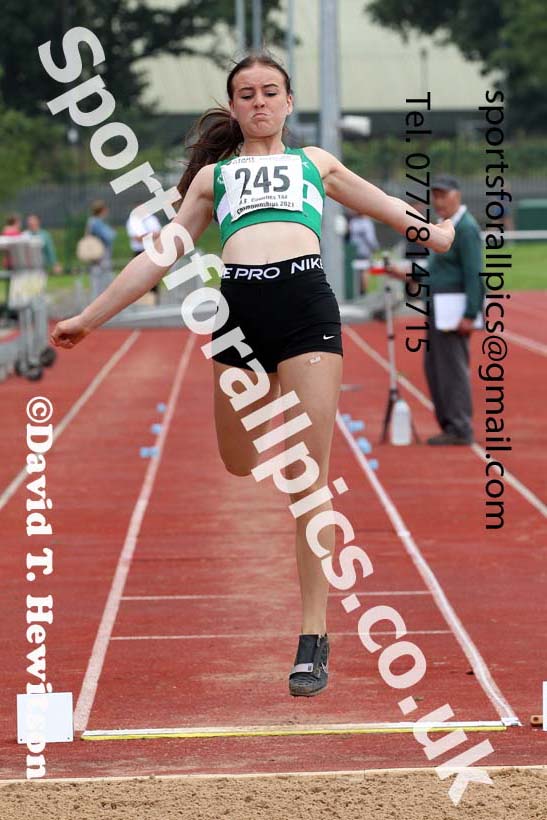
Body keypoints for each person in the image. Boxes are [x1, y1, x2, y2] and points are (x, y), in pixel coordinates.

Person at [50, 51, 454, 697]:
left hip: (306, 308)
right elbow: (159, 256)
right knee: (238, 462)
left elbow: (378, 202)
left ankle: (312, 637)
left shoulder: (313, 163)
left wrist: (430, 231)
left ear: (288, 102)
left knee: (310, 479)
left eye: (270, 92)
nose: (259, 102)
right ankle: (264, 419)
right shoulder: (213, 179)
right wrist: (89, 318)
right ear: (233, 107)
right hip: (237, 317)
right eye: (246, 94)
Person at [387, 175, 483, 445]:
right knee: (436, 368)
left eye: (444, 195)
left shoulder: (465, 229)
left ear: (457, 195)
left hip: (454, 310)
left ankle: (460, 427)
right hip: (439, 306)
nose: (438, 201)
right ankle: (451, 424)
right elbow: (434, 270)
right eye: (435, 195)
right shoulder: (445, 228)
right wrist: (406, 273)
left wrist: (470, 314)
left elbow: (475, 273)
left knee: (451, 368)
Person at [126, 209, 162, 304]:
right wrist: (151, 235)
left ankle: (153, 301)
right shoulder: (133, 221)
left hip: (152, 250)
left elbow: (159, 234)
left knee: (154, 276)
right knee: (139, 278)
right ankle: (142, 301)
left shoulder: (152, 219)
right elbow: (137, 238)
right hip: (139, 252)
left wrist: (145, 236)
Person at [86, 200, 117, 301]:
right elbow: (109, 236)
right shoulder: (96, 223)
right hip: (101, 258)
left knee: (98, 284)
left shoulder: (91, 221)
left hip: (96, 259)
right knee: (102, 285)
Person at [347, 211, 379, 294]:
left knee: (355, 271)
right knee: (364, 270)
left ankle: (356, 291)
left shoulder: (353, 222)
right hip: (364, 250)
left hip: (353, 250)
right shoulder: (367, 223)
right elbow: (370, 238)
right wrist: (375, 248)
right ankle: (362, 292)